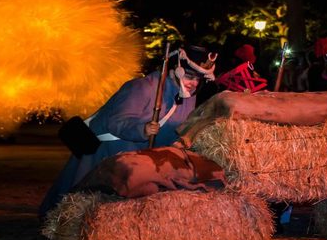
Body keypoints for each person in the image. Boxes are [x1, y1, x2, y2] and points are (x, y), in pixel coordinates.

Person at [39, 45, 217, 217]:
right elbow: (116, 122)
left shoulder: (188, 97)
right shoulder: (142, 87)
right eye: (190, 76)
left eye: (198, 79)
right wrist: (142, 129)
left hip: (141, 158)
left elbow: (179, 127)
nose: (194, 83)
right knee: (80, 199)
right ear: (175, 70)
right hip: (110, 150)